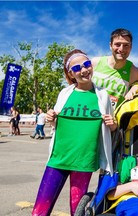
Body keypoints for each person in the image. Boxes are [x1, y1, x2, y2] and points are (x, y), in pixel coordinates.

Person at [32, 49, 117, 216]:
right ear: (71, 74)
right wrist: (51, 117)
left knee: (76, 212)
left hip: (84, 161)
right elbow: (55, 121)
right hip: (58, 158)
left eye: (86, 65)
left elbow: (111, 128)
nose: (84, 70)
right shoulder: (64, 93)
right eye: (77, 68)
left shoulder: (103, 95)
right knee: (39, 211)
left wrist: (113, 124)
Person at [91, 28, 138, 109]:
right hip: (87, 113)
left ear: (131, 47)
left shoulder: (134, 72)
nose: (121, 49)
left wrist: (137, 87)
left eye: (126, 45)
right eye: (117, 44)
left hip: (112, 120)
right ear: (110, 45)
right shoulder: (95, 62)